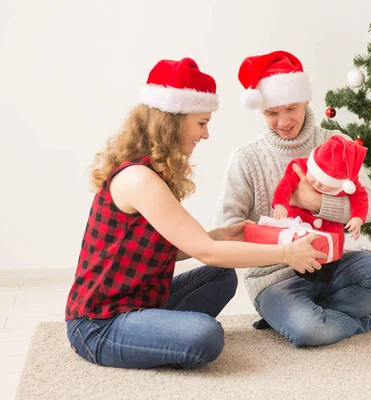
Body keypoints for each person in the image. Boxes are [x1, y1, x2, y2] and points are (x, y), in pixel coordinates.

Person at [65, 57, 326, 369]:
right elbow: (208, 252)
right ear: (172, 121)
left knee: (221, 277)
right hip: (99, 323)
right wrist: (286, 253)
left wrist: (220, 235)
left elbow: (169, 251)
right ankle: (155, 336)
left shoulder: (150, 172)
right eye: (202, 123)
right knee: (206, 336)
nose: (205, 135)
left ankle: (154, 334)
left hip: (143, 300)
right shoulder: (139, 180)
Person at [215, 50, 371, 347]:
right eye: (272, 113)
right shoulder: (246, 158)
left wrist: (316, 203)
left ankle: (298, 318)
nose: (283, 121)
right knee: (309, 330)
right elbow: (228, 229)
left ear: (307, 100)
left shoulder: (335, 143)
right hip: (274, 278)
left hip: (332, 264)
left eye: (291, 108)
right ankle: (368, 320)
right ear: (261, 111)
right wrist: (282, 244)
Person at [272, 135, 368, 283]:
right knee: (302, 252)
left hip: (330, 228)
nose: (316, 184)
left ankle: (329, 273)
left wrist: (357, 218)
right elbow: (285, 186)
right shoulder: (300, 167)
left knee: (331, 254)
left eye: (324, 184)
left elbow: (360, 197)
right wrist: (280, 204)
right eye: (314, 177)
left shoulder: (346, 183)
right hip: (301, 223)